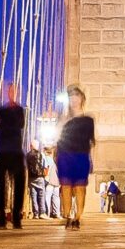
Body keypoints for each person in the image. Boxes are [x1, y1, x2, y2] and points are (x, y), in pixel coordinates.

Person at [53, 87, 96, 230]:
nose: (73, 99)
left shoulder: (88, 120)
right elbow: (57, 136)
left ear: (82, 99)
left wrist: (92, 160)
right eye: (71, 97)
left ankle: (77, 217)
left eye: (76, 96)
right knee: (65, 186)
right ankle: (68, 215)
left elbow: (92, 141)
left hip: (81, 155)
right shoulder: (63, 118)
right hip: (65, 155)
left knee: (79, 188)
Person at [0, 81, 28, 229]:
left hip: (16, 151)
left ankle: (16, 216)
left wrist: (4, 123)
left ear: (17, 93)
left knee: (19, 184)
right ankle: (1, 218)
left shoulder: (19, 110)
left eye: (14, 90)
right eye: (10, 90)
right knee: (0, 185)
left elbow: (19, 124)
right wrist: (4, 123)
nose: (12, 93)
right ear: (7, 92)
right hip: (4, 151)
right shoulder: (2, 110)